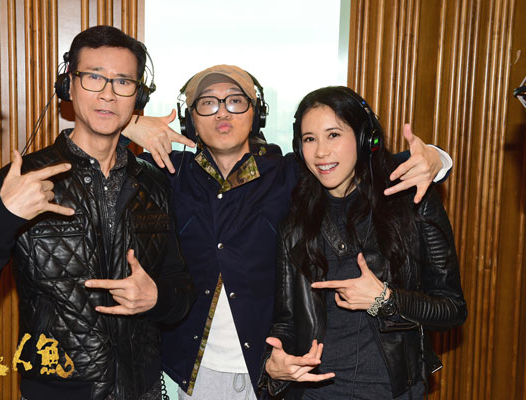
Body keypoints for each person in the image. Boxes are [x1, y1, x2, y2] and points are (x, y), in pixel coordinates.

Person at [122, 65, 453, 400]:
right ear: (190, 118)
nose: (222, 112)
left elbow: (375, 164)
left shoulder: (289, 173)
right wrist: (129, 125)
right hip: (197, 370)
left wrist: (436, 158)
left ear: (257, 113)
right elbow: (101, 163)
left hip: (273, 370)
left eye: (235, 100)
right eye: (207, 103)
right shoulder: (166, 173)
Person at [0, 25, 195, 400]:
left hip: (145, 390)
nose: (108, 93)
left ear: (137, 96)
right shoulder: (24, 180)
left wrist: (158, 297)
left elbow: (181, 291)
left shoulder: (153, 183)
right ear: (68, 86)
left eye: (123, 82)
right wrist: (2, 216)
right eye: (94, 77)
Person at [260, 86, 467, 399]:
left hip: (393, 393)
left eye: (333, 135)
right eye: (309, 139)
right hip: (317, 394)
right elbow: (287, 323)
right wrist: (273, 364)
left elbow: (452, 308)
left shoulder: (412, 201)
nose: (320, 152)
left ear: (363, 138)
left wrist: (386, 300)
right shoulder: (295, 225)